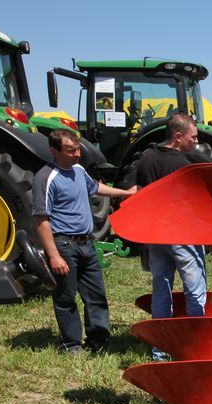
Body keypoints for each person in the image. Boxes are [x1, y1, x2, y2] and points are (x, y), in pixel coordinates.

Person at [32, 129, 137, 353]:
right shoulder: (46, 177)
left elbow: (96, 188)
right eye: (71, 151)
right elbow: (41, 219)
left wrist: (125, 193)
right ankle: (71, 345)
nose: (77, 154)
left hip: (87, 244)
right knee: (66, 298)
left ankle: (98, 342)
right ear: (54, 151)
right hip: (64, 245)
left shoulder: (79, 170)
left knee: (96, 295)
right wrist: (54, 256)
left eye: (78, 148)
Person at [135, 114, 212, 361]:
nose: (195, 143)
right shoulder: (184, 165)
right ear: (178, 137)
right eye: (192, 137)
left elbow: (141, 200)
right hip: (182, 237)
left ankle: (159, 350)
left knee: (161, 291)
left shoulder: (145, 161)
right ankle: (194, 347)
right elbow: (193, 208)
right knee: (195, 293)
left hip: (155, 237)